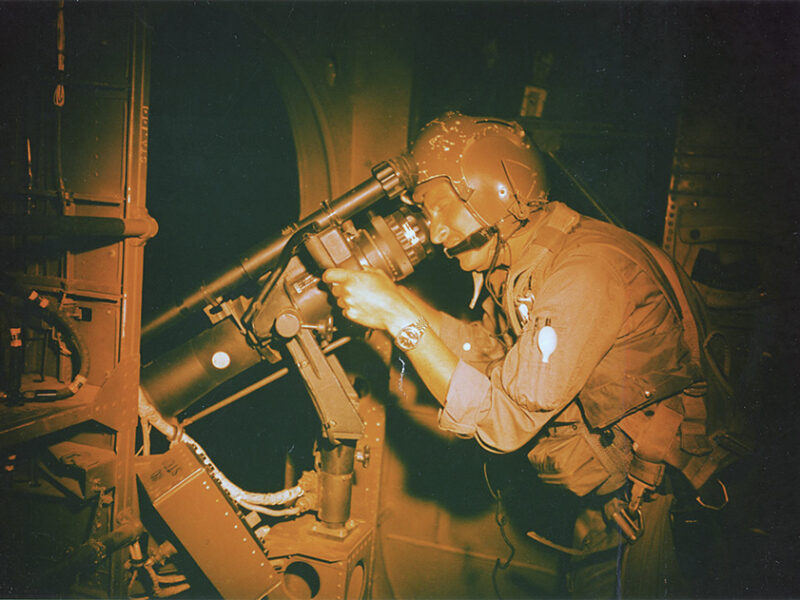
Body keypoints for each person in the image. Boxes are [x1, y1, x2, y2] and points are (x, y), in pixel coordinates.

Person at [322, 112, 730, 597]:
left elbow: (503, 421)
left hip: (655, 506)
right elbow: (488, 351)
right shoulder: (527, 264)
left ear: (491, 190)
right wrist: (398, 301)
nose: (433, 235)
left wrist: (396, 317)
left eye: (436, 209)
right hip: (612, 504)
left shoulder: (583, 273)